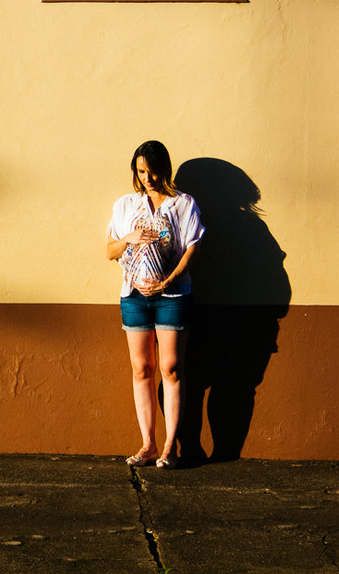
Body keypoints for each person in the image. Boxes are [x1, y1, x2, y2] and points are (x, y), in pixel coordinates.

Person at [106, 140, 205, 468]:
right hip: (134, 297)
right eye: (141, 172)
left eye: (153, 171)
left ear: (165, 168)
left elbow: (193, 249)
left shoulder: (183, 204)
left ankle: (170, 447)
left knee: (171, 368)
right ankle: (148, 444)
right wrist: (127, 239)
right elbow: (109, 251)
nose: (148, 178)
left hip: (172, 297)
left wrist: (169, 280)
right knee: (141, 369)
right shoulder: (126, 205)